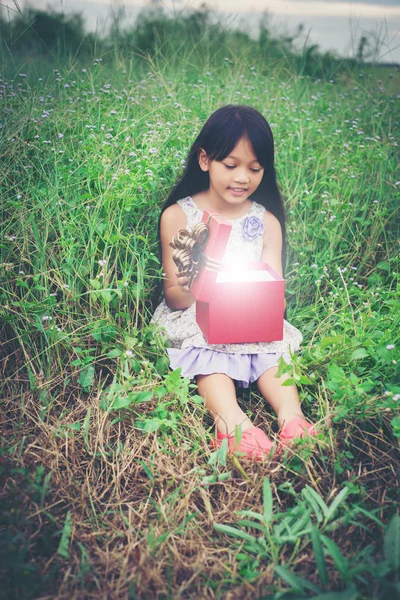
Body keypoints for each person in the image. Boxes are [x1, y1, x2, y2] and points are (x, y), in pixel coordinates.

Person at [151, 105, 317, 459]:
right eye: (231, 165)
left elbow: (275, 290)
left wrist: (261, 310)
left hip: (249, 310)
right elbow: (176, 297)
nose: (242, 177)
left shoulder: (266, 221)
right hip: (195, 311)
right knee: (206, 347)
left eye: (254, 168)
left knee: (273, 345)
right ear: (205, 160)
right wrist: (195, 279)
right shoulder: (180, 215)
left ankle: (293, 417)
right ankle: (232, 423)